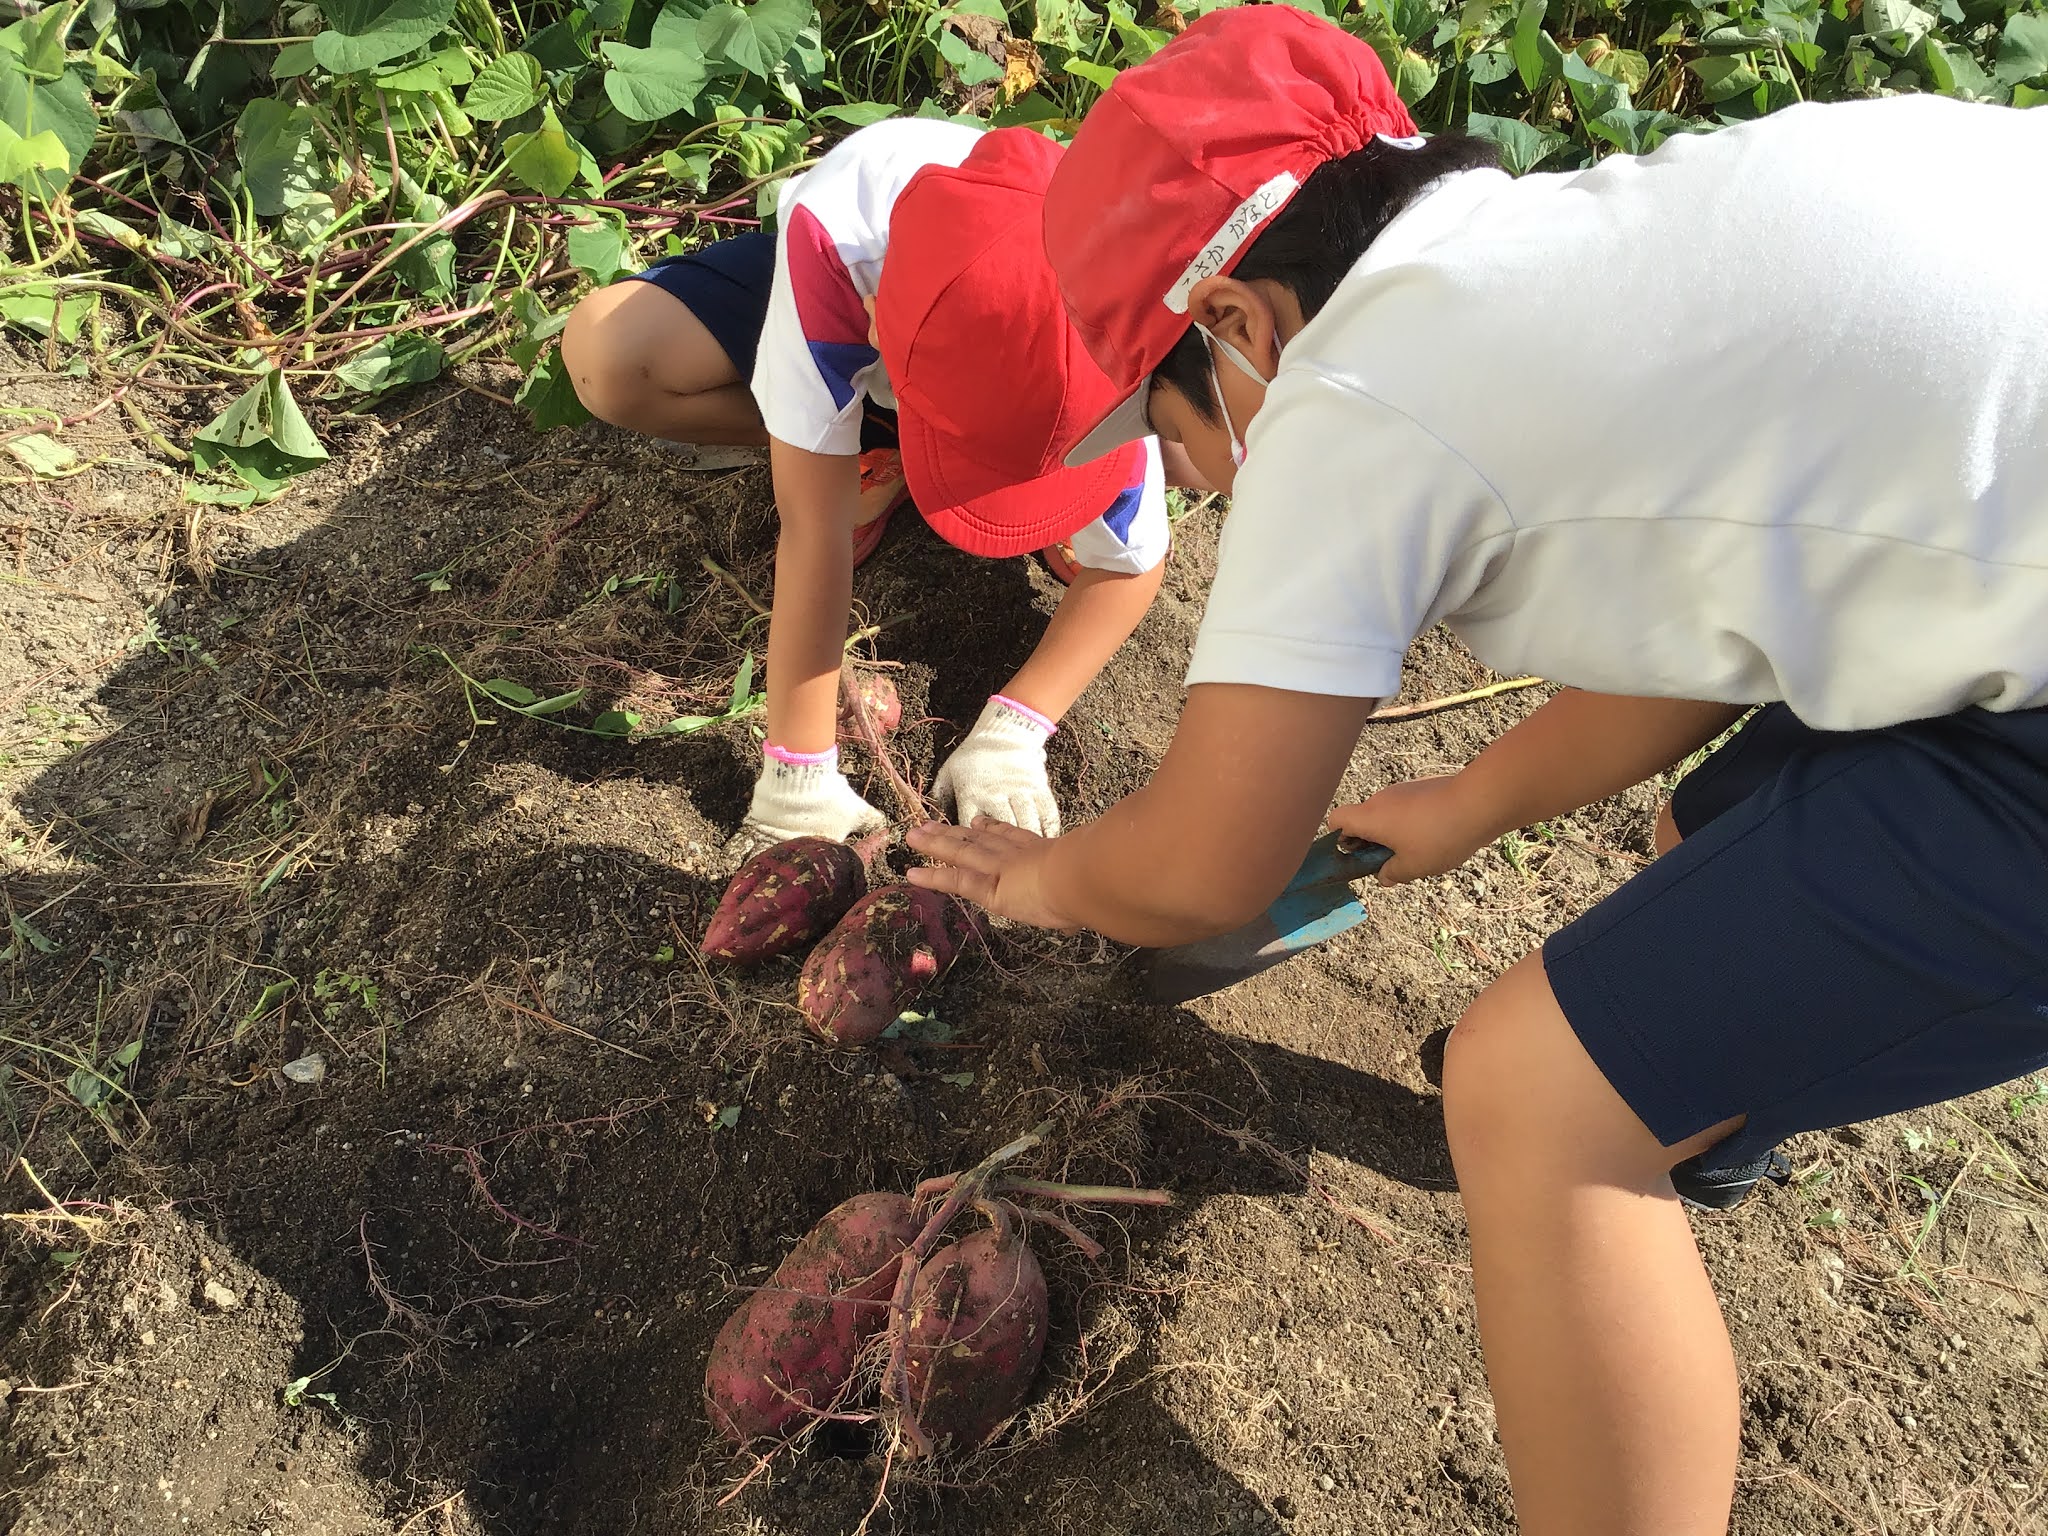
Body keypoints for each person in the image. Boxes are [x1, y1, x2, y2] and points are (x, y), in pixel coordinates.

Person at [903, 9, 2048, 1534]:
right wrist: (1466, 803)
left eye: (1167, 427)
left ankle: (1630, 1150)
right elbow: (1730, 610)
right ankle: (1703, 1096)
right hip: (2000, 569)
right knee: (1707, 825)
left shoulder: (1354, 394)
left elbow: (1207, 866)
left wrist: (1040, 874)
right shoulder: (1600, 244)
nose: (1187, 472)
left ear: (1239, 324)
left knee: (1530, 1094)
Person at [562, 120, 1194, 853]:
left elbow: (1135, 561)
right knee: (607, 358)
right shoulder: (838, 245)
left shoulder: (1126, 324)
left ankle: (997, 473)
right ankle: (875, 438)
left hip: (1021, 337)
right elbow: (814, 525)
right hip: (873, 293)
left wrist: (1018, 729)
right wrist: (798, 780)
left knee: (1153, 492)